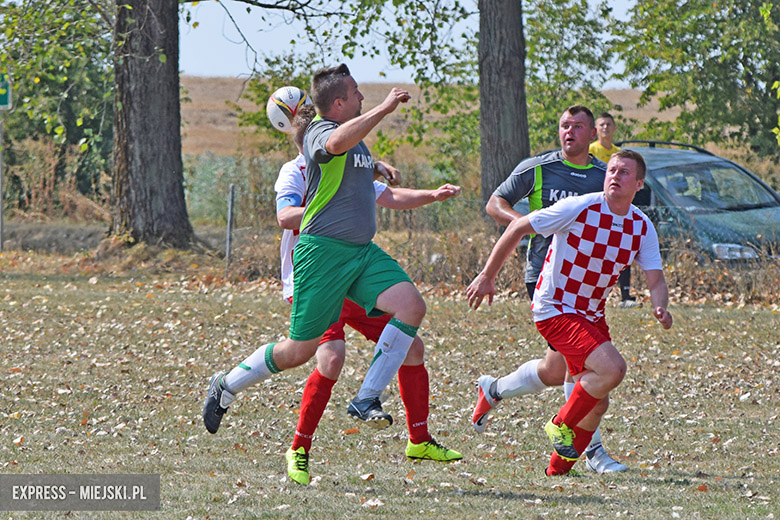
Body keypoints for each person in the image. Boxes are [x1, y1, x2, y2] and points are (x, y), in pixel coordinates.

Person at [202, 64, 456, 482]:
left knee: (411, 308)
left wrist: (398, 177)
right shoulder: (322, 134)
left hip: (360, 255)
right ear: (338, 103)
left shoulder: (356, 147)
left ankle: (371, 400)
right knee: (303, 352)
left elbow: (381, 189)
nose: (360, 96)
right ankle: (227, 386)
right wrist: (385, 107)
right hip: (322, 259)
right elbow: (318, 166)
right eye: (355, 92)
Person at [276, 104, 462, 484]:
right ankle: (299, 448)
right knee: (330, 358)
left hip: (355, 277)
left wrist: (431, 195)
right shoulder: (294, 171)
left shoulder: (349, 166)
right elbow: (284, 216)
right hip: (319, 275)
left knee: (412, 347)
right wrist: (328, 210)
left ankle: (419, 439)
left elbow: (389, 197)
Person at [467, 149, 673, 476]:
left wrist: (660, 304)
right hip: (555, 307)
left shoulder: (641, 227)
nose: (614, 176)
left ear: (638, 184)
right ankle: (563, 426)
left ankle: (556, 467)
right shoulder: (581, 206)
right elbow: (518, 226)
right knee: (611, 369)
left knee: (585, 390)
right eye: (612, 170)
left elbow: (656, 278)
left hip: (590, 312)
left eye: (623, 172)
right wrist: (487, 276)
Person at [474, 105, 626, 474]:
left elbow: (619, 217)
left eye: (577, 126)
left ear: (593, 134)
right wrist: (531, 224)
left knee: (555, 369)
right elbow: (496, 204)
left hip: (586, 287)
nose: (569, 131)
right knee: (580, 370)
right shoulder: (538, 168)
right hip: (546, 280)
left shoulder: (602, 176)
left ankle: (493, 389)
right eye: (564, 126)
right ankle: (590, 453)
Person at [589, 112, 640, 309]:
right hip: (597, 208)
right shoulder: (591, 150)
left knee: (623, 251)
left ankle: (625, 295)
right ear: (596, 129)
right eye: (601, 125)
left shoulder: (620, 153)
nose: (605, 128)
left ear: (614, 128)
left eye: (608, 124)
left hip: (616, 208)